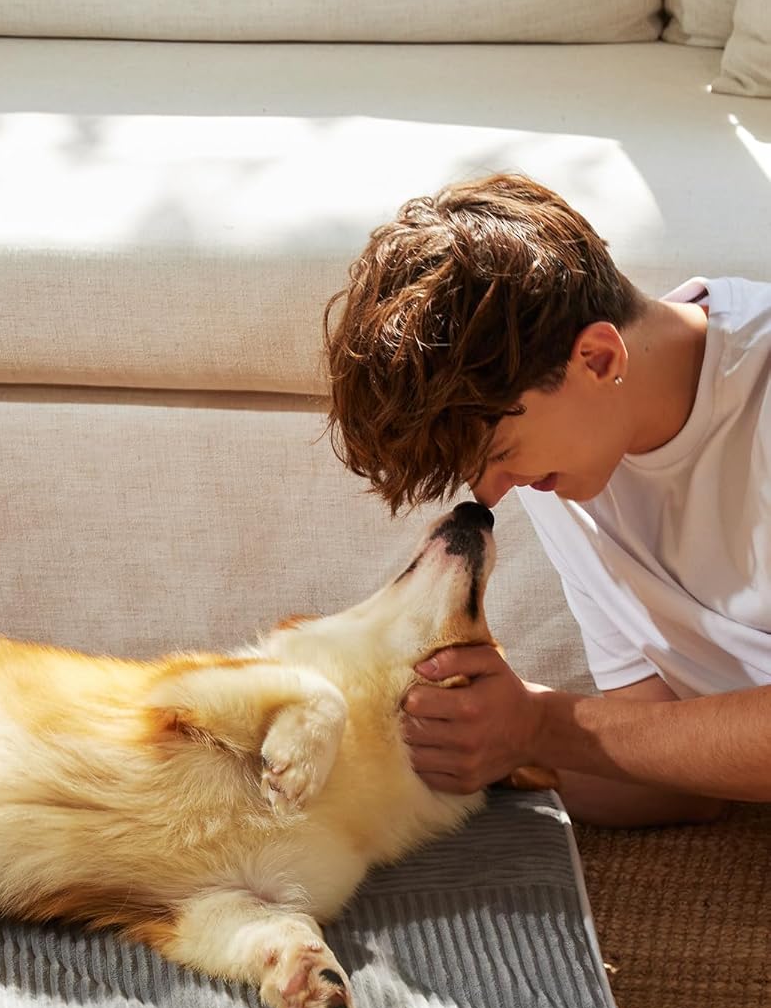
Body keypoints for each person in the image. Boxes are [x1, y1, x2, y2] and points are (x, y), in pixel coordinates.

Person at [322, 171, 770, 826]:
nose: (491, 494)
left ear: (595, 358)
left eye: (500, 455)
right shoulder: (572, 463)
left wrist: (539, 724)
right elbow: (673, 768)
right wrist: (456, 749)